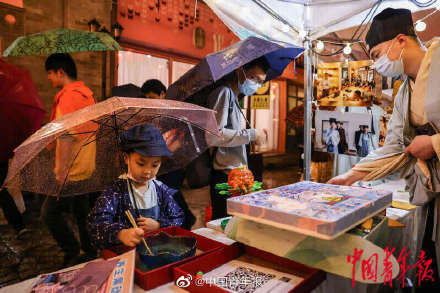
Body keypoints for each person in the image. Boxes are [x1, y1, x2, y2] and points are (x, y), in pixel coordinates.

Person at [328, 8, 440, 289]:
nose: (377, 64)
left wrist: (434, 143)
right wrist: (352, 175)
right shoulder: (404, 91)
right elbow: (393, 147)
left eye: (377, 55)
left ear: (401, 40)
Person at [87, 124, 184, 249]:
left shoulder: (160, 189)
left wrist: (159, 225)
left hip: (157, 251)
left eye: (154, 165)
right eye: (141, 163)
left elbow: (178, 217)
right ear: (126, 157)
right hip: (126, 254)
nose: (147, 171)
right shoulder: (116, 191)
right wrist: (121, 234)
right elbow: (96, 224)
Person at [42, 53, 97, 266]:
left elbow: (66, 136)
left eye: (49, 73)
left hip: (72, 169)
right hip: (86, 165)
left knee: (49, 213)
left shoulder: (67, 97)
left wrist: (61, 170)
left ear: (60, 72)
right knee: (81, 211)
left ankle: (72, 252)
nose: (49, 78)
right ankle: (90, 250)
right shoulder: (87, 95)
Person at [206, 57, 269, 220]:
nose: (256, 84)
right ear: (240, 71)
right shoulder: (224, 93)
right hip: (225, 176)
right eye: (253, 78)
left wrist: (252, 136)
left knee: (235, 223)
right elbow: (214, 135)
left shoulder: (234, 97)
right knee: (224, 224)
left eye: (261, 82)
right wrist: (252, 134)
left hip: (238, 175)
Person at [141, 78, 196, 230]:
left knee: (170, 192)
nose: (149, 101)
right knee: (167, 194)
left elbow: (181, 138)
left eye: (152, 98)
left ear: (162, 94)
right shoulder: (153, 114)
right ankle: (183, 220)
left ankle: (186, 219)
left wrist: (168, 149)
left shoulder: (173, 114)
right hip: (161, 163)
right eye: (147, 99)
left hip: (175, 163)